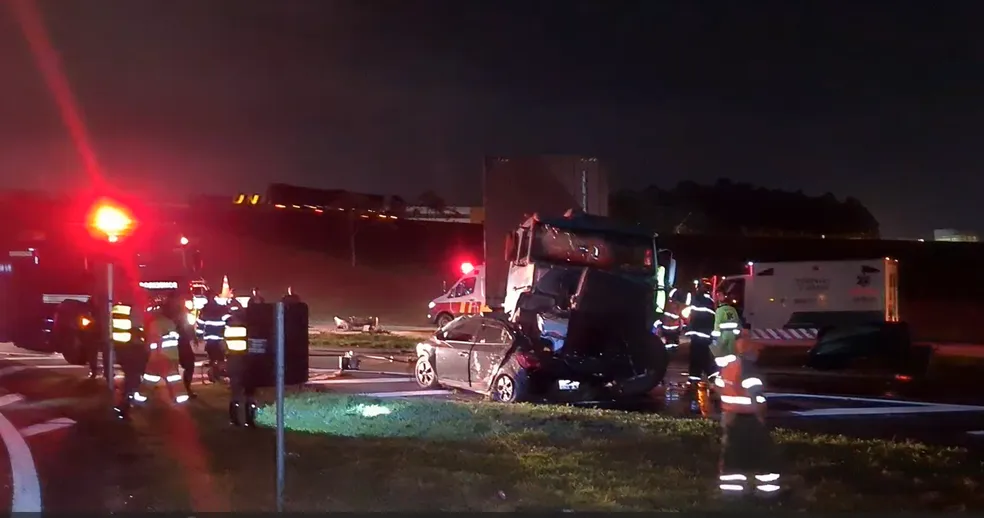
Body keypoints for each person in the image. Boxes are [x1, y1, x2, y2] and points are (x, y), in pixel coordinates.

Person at [713, 329, 781, 497]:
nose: (759, 353)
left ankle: (732, 494)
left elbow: (718, 387)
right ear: (750, 348)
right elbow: (756, 397)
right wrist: (761, 417)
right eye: (757, 349)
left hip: (730, 419)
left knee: (733, 458)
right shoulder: (749, 368)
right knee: (764, 456)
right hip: (749, 419)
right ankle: (767, 493)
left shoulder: (729, 366)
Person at [139, 298, 191, 407]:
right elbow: (175, 337)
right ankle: (180, 400)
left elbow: (155, 339)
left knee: (149, 380)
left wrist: (154, 353)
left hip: (159, 357)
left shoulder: (155, 323)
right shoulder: (169, 322)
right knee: (173, 380)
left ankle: (140, 400)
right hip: (172, 355)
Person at [111, 301, 149, 420]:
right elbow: (137, 332)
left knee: (131, 382)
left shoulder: (121, 311)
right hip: (132, 353)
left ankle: (124, 406)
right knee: (132, 382)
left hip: (126, 352)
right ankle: (123, 408)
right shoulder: (135, 316)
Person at [223, 310, 256, 426]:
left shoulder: (228, 330)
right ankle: (250, 419)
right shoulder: (248, 330)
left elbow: (223, 347)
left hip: (233, 363)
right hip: (247, 363)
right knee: (250, 394)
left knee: (235, 394)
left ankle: (234, 418)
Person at [683, 279, 717, 383]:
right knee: (700, 357)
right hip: (704, 335)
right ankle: (698, 378)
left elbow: (693, 315)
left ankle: (709, 377)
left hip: (698, 335)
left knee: (699, 357)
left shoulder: (697, 299)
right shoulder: (710, 301)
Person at [196, 289, 232, 382]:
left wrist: (199, 336)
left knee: (215, 358)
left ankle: (216, 374)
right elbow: (229, 320)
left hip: (211, 339)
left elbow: (200, 324)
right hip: (219, 338)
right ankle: (217, 374)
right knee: (220, 358)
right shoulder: (221, 308)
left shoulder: (205, 310)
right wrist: (227, 330)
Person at [711, 289, 742, 359]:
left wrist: (715, 337)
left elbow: (717, 323)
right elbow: (737, 322)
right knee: (731, 352)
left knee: (721, 353)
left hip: (723, 334)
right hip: (732, 335)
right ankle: (731, 367)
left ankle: (722, 367)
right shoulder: (733, 309)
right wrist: (737, 334)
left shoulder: (719, 310)